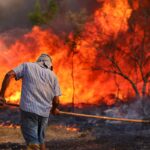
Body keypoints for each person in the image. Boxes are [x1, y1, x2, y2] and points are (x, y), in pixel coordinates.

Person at [0, 54, 61, 150]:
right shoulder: (53, 76)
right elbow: (56, 101)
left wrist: (1, 96)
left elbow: (9, 75)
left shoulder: (27, 66)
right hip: (44, 114)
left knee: (33, 144)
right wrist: (53, 109)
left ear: (37, 61)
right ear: (50, 66)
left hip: (29, 111)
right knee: (41, 141)